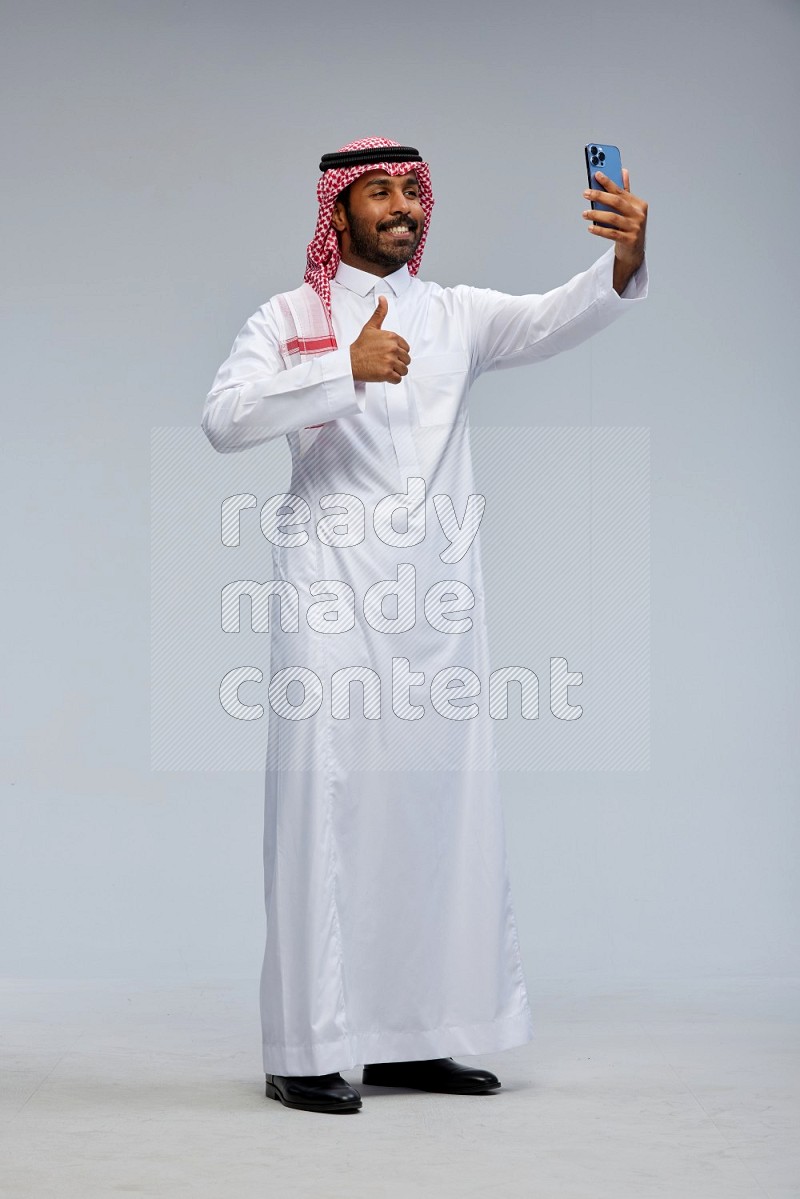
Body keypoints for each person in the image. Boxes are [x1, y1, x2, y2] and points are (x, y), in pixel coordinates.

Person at [201, 136, 648, 1115]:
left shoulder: (453, 314)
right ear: (338, 210)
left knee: (433, 811)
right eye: (379, 191)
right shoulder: (289, 316)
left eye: (413, 189)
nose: (401, 205)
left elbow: (551, 317)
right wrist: (338, 370)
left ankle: (416, 1034)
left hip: (437, 607)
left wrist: (620, 261)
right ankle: (305, 1045)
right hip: (330, 595)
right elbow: (224, 417)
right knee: (326, 811)